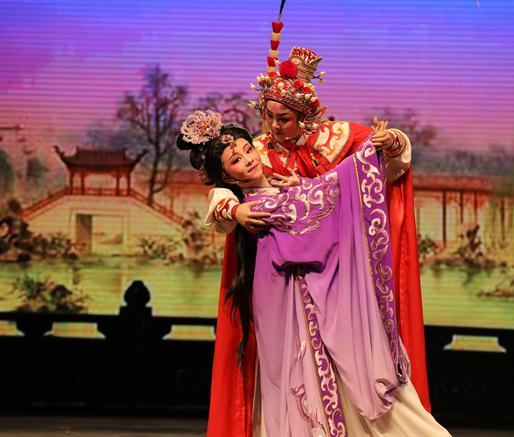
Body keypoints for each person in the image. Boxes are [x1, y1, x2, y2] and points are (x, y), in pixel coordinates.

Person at [202, 22, 429, 437]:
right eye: (268, 117)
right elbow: (219, 193)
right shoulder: (255, 151)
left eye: (284, 119)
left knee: (353, 363)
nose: (273, 127)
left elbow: (383, 164)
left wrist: (390, 143)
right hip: (281, 286)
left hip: (340, 277)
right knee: (287, 374)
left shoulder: (338, 138)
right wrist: (235, 210)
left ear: (305, 116)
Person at [177, 111, 449, 436]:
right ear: (226, 174)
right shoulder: (254, 205)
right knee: (291, 378)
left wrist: (381, 145)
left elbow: (316, 197)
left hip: (307, 290)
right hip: (279, 297)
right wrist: (236, 209)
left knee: (333, 373)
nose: (249, 159)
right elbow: (223, 199)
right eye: (237, 160)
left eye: (248, 150)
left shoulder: (315, 152)